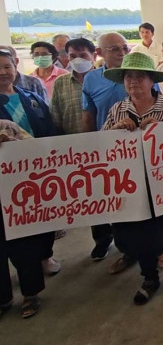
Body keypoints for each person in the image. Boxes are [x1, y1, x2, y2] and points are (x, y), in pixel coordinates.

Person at [102, 52, 163, 304]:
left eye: (140, 77)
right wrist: (115, 131)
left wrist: (162, 129)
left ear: (152, 80)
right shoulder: (118, 110)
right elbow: (101, 145)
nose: (133, 81)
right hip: (134, 183)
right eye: (129, 77)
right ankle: (149, 277)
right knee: (139, 231)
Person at [0, 50, 61, 284]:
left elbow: (50, 128)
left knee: (44, 215)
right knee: (15, 223)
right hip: (7, 174)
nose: (3, 72)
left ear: (15, 66)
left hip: (40, 167)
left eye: (7, 66)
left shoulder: (30, 97)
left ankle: (46, 255)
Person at [82, 32, 136, 270]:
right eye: (115, 49)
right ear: (99, 53)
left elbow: (157, 104)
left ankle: (156, 250)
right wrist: (89, 149)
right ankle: (127, 251)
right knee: (116, 203)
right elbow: (89, 116)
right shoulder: (91, 79)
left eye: (124, 48)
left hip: (142, 148)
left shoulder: (140, 73)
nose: (122, 53)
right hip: (108, 151)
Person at [0, 119, 52, 319]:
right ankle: (3, 299)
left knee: (24, 246)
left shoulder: (7, 126)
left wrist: (12, 144)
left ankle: (31, 293)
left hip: (15, 197)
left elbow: (35, 149)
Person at [50, 38, 96, 136]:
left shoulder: (105, 79)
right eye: (73, 56)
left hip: (104, 138)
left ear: (94, 56)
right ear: (68, 57)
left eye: (83, 55)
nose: (78, 60)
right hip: (72, 141)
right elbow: (56, 118)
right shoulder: (61, 82)